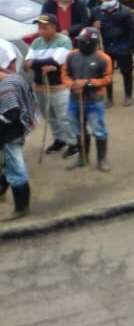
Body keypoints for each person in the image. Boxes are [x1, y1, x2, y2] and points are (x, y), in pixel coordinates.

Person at [63, 27, 113, 171]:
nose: (80, 44)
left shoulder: (104, 58)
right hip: (74, 100)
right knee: (78, 130)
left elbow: (108, 78)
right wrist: (72, 85)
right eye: (79, 41)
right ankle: (82, 158)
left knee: (99, 130)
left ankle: (102, 159)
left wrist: (88, 83)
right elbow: (64, 74)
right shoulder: (71, 56)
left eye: (83, 42)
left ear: (92, 43)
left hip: (94, 101)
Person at [26, 15, 74, 156]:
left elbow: (55, 61)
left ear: (54, 27)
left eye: (45, 28)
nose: (41, 31)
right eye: (39, 28)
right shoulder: (36, 42)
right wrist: (41, 64)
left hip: (59, 87)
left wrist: (36, 63)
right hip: (39, 87)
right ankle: (59, 139)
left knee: (64, 117)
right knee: (50, 116)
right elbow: (27, 63)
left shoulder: (64, 41)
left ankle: (74, 143)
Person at [0, 41, 37, 219]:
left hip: (9, 134)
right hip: (17, 131)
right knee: (9, 166)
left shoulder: (5, 88)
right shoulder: (15, 78)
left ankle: (22, 208)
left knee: (16, 170)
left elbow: (12, 113)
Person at [94, 0, 134, 107]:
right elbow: (89, 28)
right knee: (107, 74)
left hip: (123, 47)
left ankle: (128, 96)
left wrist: (129, 46)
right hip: (105, 48)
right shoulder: (96, 11)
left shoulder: (126, 11)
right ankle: (109, 98)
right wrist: (94, 26)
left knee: (127, 72)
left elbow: (132, 31)